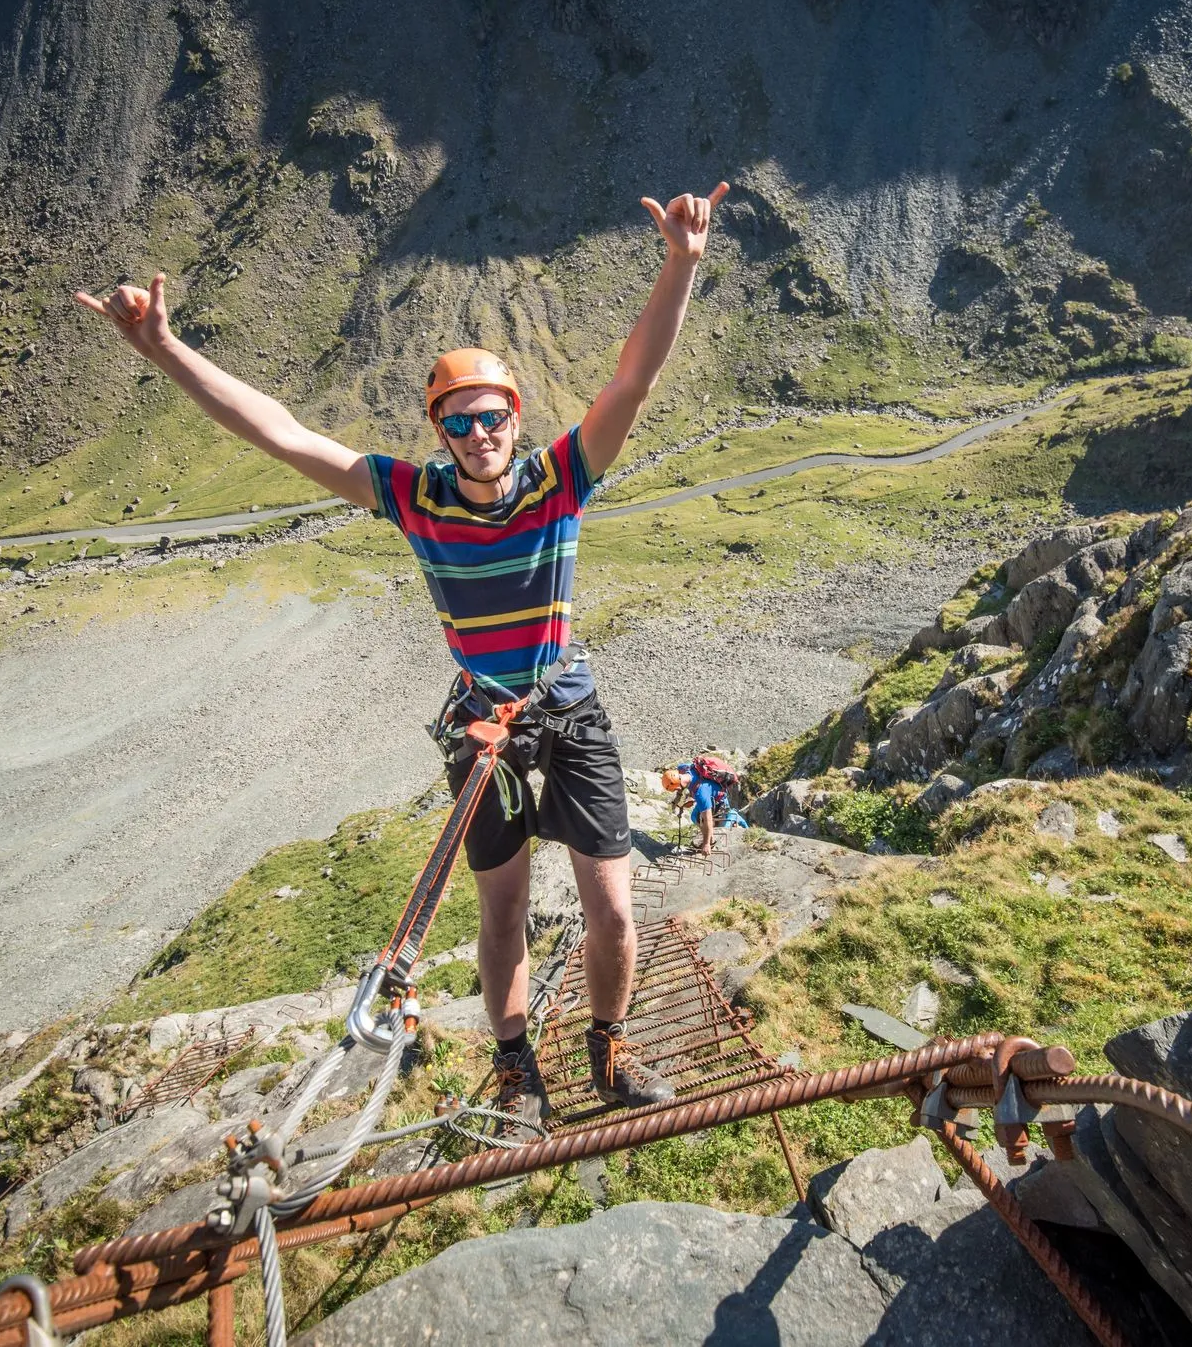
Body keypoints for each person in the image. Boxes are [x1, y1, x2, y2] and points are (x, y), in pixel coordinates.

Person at [76, 181, 731, 1140]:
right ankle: (518, 1069)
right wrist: (165, 350)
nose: (477, 435)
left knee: (614, 911)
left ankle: (610, 1042)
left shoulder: (563, 477)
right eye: (457, 422)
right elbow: (282, 432)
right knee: (500, 912)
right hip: (485, 723)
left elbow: (632, 380)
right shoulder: (413, 496)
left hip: (566, 702)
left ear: (515, 415)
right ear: (439, 432)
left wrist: (681, 261)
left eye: (491, 417)